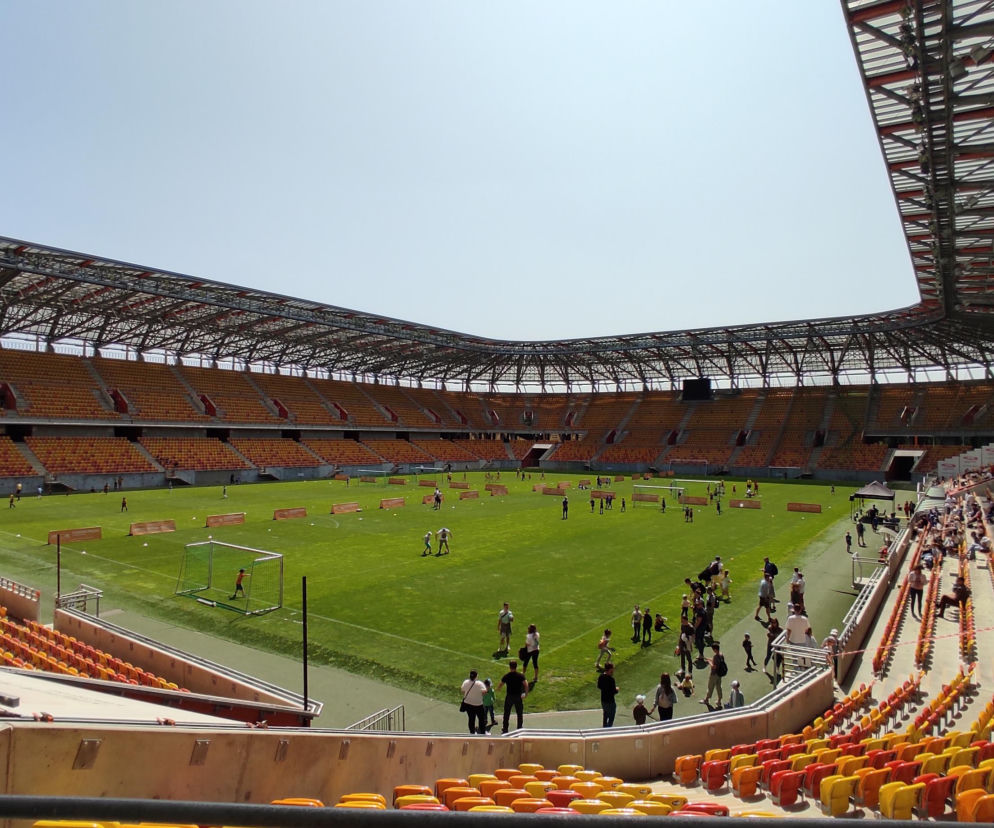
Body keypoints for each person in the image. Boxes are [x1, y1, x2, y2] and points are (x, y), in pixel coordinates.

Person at [498, 660, 528, 733]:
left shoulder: (507, 676)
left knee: (506, 713)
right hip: (518, 697)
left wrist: (498, 688)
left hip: (509, 697)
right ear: (516, 666)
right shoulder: (520, 676)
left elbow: (500, 684)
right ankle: (519, 728)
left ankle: (505, 729)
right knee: (519, 713)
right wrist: (526, 693)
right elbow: (526, 684)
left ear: (509, 667)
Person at [460, 669, 487, 734]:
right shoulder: (480, 683)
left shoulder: (465, 682)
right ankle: (482, 733)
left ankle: (472, 733)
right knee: (481, 720)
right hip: (478, 705)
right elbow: (484, 691)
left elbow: (462, 691)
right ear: (476, 676)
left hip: (468, 704)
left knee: (471, 719)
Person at [700, 643, 726, 707]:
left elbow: (714, 666)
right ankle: (719, 701)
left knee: (710, 687)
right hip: (719, 674)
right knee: (719, 687)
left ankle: (706, 700)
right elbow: (716, 661)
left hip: (714, 674)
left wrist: (709, 662)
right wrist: (708, 659)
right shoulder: (721, 654)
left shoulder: (716, 656)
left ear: (714, 649)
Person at [597, 662, 619, 727]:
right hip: (610, 701)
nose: (613, 671)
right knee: (611, 717)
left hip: (603, 700)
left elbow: (599, 686)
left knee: (605, 715)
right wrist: (617, 689)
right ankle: (609, 729)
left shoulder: (601, 676)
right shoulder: (611, 680)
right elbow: (613, 691)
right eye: (612, 669)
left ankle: (604, 727)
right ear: (609, 669)